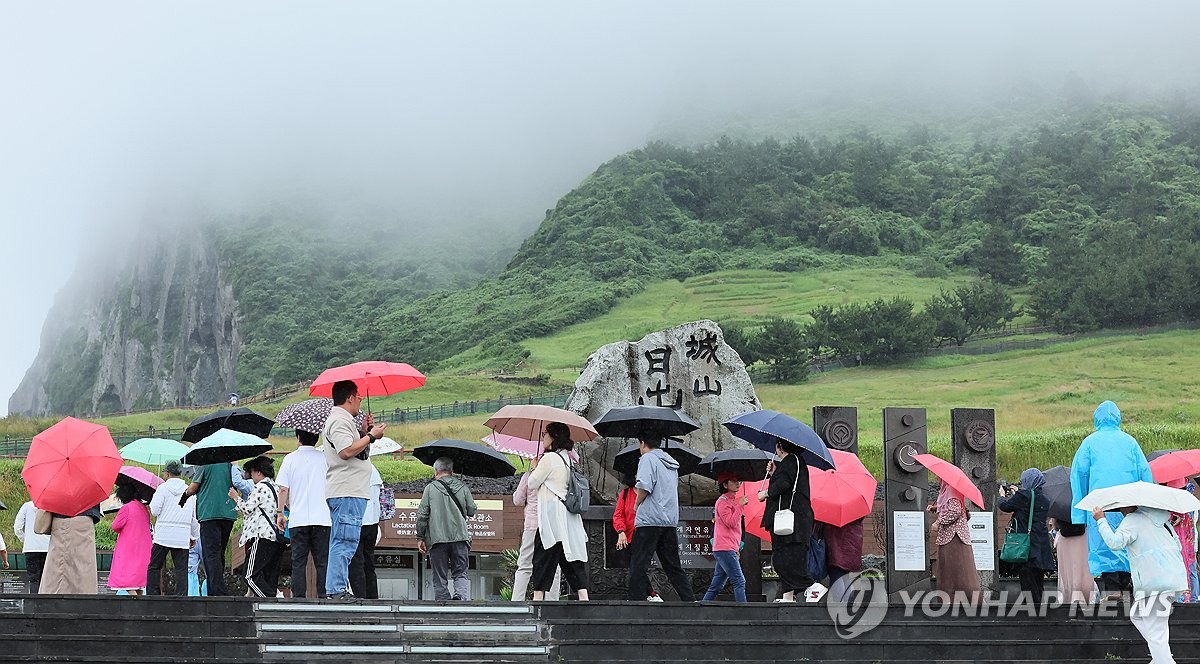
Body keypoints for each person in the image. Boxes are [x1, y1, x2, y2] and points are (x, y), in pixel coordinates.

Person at [1070, 400, 1154, 597]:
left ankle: (1112, 596)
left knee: (1103, 552)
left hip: (1100, 510)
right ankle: (1130, 593)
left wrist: (1079, 514)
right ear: (1118, 418)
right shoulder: (1130, 442)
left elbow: (1078, 477)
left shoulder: (1089, 443)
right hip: (1129, 510)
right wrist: (1148, 508)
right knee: (1129, 551)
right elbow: (1145, 474)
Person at [1093, 503, 1189, 664]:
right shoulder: (1161, 521)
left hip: (1154, 584)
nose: (1121, 513)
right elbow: (1178, 546)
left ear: (1128, 507)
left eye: (1121, 508)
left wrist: (1101, 520)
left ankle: (1163, 659)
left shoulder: (1133, 520)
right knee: (1137, 615)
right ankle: (1160, 657)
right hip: (1173, 581)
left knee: (1156, 633)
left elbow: (1115, 543)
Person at [322, 379, 387, 599]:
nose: (360, 401)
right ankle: (337, 589)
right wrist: (370, 436)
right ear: (349, 397)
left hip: (349, 490)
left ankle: (335, 588)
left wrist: (363, 431)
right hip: (347, 490)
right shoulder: (339, 421)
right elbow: (346, 451)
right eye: (358, 397)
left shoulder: (345, 421)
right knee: (346, 541)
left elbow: (354, 448)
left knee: (341, 540)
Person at [527, 422, 590, 601]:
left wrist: (534, 467)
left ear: (554, 436)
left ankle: (538, 600)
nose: (543, 437)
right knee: (571, 561)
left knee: (542, 560)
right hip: (568, 519)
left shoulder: (548, 459)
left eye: (544, 434)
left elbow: (532, 484)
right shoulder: (567, 458)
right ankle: (584, 598)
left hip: (551, 519)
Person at [628, 433, 693, 602]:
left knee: (638, 563)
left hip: (649, 519)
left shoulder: (647, 459)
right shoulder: (671, 464)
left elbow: (645, 486)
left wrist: (636, 504)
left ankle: (636, 602)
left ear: (642, 443)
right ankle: (689, 600)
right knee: (672, 565)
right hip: (669, 520)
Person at [759, 437, 823, 602]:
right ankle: (788, 595)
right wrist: (775, 473)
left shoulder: (791, 461)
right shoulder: (796, 462)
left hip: (792, 521)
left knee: (783, 558)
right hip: (799, 521)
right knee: (791, 557)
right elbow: (786, 482)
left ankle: (812, 586)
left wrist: (764, 493)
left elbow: (783, 485)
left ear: (780, 446)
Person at [276, 429, 331, 598]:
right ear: (316, 438)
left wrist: (280, 513)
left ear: (298, 437)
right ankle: (324, 596)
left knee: (298, 561)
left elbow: (283, 488)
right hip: (322, 518)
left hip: (298, 519)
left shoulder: (290, 459)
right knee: (322, 562)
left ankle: (299, 597)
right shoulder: (325, 459)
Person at [416, 457, 476, 600]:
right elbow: (471, 510)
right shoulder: (462, 487)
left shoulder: (430, 488)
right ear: (452, 471)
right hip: (460, 538)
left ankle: (442, 602)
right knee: (460, 572)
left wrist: (420, 537)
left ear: (436, 471)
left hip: (437, 540)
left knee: (439, 574)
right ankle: (460, 598)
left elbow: (422, 515)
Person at [181, 460, 238, 596]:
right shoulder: (229, 463)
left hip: (209, 514)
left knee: (211, 553)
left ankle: (217, 591)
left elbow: (193, 487)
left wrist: (185, 495)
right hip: (228, 513)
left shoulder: (204, 464)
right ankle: (217, 587)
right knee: (219, 553)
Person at [998, 468, 1054, 605]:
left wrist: (1001, 495)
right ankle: (1037, 606)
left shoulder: (1024, 496)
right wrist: (1018, 493)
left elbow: (1005, 506)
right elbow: (1029, 504)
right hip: (1040, 543)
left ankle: (1032, 609)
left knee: (1026, 574)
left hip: (1026, 543)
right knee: (1037, 576)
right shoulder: (1045, 499)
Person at [230, 456, 282, 598]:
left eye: (252, 473)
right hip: (275, 537)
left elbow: (247, 509)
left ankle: (270, 600)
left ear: (259, 472)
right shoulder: (275, 487)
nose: (251, 477)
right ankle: (273, 599)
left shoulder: (260, 487)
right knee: (268, 576)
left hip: (262, 535)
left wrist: (236, 497)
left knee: (249, 575)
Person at [148, 460, 200, 595]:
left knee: (154, 566)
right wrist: (193, 536)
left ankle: (153, 595)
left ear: (167, 473)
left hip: (163, 535)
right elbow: (194, 517)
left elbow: (155, 510)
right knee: (181, 569)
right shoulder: (188, 489)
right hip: (182, 536)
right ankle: (181, 597)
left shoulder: (163, 489)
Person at [510, 464, 560, 601]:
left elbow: (518, 500)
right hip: (553, 526)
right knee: (553, 565)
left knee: (525, 564)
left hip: (533, 525)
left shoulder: (529, 476)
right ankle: (552, 601)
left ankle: (517, 601)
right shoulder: (557, 475)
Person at [930, 483, 981, 602]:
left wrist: (938, 522)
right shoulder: (949, 490)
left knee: (954, 568)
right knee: (952, 568)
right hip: (952, 536)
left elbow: (955, 511)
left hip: (954, 537)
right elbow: (949, 506)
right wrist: (936, 508)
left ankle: (954, 599)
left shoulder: (951, 489)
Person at [612, 473, 659, 601]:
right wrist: (621, 531)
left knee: (636, 568)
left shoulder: (650, 493)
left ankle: (640, 597)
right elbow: (618, 515)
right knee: (635, 569)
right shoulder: (626, 493)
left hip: (645, 537)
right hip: (628, 538)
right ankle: (651, 594)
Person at [702, 472, 748, 602]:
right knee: (739, 581)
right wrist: (740, 506)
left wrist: (736, 548)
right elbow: (731, 522)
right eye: (733, 481)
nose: (737, 483)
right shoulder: (722, 502)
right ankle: (743, 613)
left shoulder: (733, 501)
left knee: (717, 585)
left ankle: (701, 609)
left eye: (738, 480)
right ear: (725, 484)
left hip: (729, 547)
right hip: (724, 548)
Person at [40, 505, 102, 594]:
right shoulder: (92, 490)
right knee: (85, 567)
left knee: (58, 574)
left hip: (63, 520)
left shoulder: (56, 490)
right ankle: (87, 600)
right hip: (86, 521)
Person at [109, 484, 153, 595]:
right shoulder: (143, 508)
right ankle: (141, 606)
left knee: (126, 579)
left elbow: (115, 526)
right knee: (138, 581)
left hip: (128, 546)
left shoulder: (126, 508)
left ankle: (135, 605)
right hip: (143, 546)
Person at [349, 462, 384, 599]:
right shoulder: (374, 471)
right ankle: (372, 596)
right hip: (373, 522)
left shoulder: (354, 470)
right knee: (369, 562)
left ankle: (360, 596)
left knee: (356, 562)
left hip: (357, 520)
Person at [1164, 477, 1197, 603]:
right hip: (1188, 542)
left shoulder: (1172, 507)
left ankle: (1183, 598)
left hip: (1178, 542)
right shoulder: (1188, 502)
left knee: (1179, 566)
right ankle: (1189, 597)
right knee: (1188, 568)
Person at [1051, 518, 1094, 604]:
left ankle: (1068, 595)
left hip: (1064, 538)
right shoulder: (1081, 505)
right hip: (1082, 537)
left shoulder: (1060, 507)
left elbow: (1055, 525)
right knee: (1082, 566)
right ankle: (1085, 596)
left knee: (1066, 568)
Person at [13, 500, 50, 592]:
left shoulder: (26, 506)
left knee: (34, 579)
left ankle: (35, 602)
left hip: (31, 548)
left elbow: (17, 527)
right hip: (48, 547)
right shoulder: (50, 506)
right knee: (47, 579)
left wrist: (25, 540)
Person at [825, 518, 865, 590]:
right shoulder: (857, 516)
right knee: (848, 585)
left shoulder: (833, 517)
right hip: (852, 555)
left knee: (837, 585)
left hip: (836, 555)